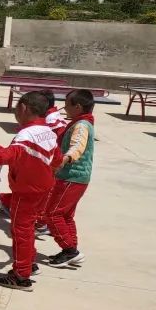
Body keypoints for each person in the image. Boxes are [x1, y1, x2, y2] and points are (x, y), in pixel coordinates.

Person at [0, 91, 61, 291]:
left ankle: (21, 275)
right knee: (27, 229)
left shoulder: (25, 134)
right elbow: (57, 160)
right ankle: (28, 263)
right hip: (43, 188)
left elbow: (14, 152)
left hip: (27, 191)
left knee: (20, 231)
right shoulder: (48, 131)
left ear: (24, 108)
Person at [42, 89, 96, 269]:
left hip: (71, 176)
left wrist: (64, 159)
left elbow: (77, 146)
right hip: (77, 177)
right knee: (65, 215)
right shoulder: (80, 122)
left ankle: (70, 250)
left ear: (78, 107)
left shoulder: (81, 126)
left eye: (67, 104)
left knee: (52, 213)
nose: (64, 108)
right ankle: (70, 250)